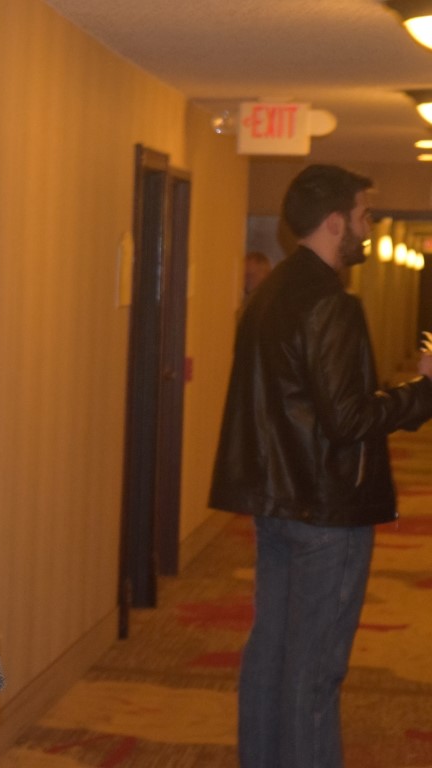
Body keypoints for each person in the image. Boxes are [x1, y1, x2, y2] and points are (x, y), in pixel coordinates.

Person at [209, 164, 432, 767]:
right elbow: (348, 420)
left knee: (271, 656)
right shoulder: (332, 303)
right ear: (335, 223)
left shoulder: (269, 295)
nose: (368, 228)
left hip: (277, 502)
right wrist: (423, 392)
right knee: (314, 673)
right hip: (328, 510)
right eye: (363, 216)